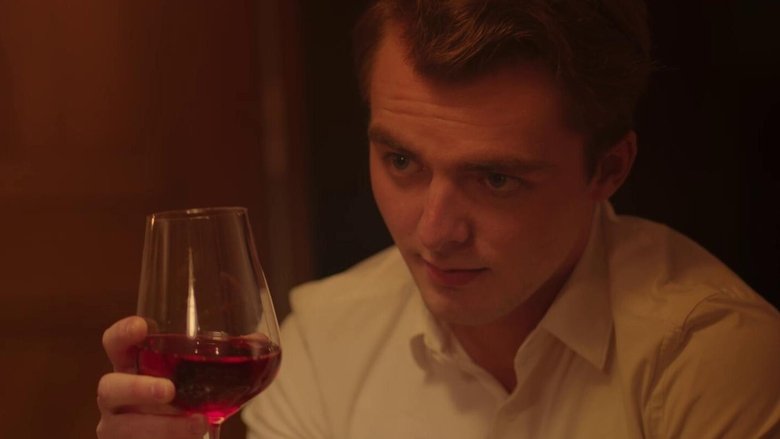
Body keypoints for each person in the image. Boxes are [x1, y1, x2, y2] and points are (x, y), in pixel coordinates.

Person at [97, 0, 780, 438]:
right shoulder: (324, 347)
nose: (433, 232)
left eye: (496, 178)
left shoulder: (712, 358)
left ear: (608, 169)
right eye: (402, 161)